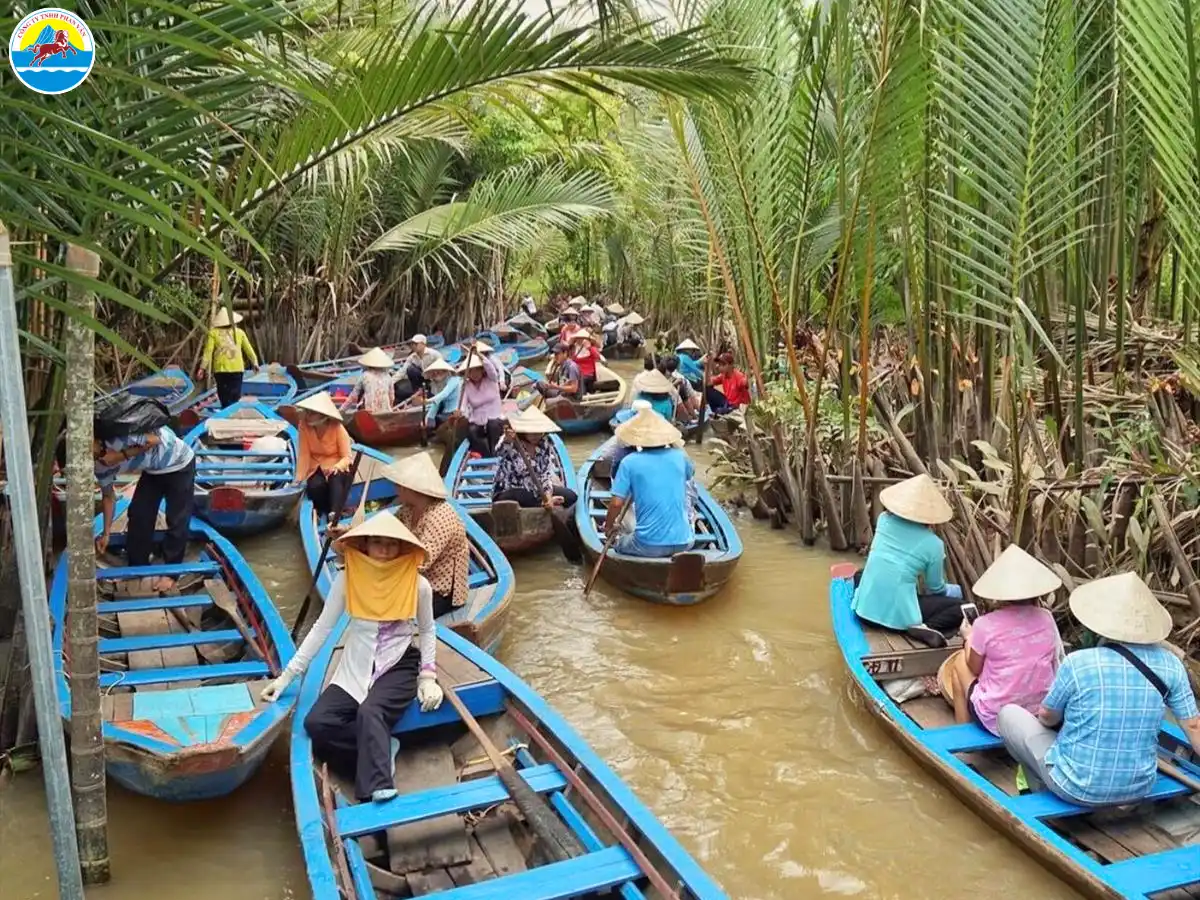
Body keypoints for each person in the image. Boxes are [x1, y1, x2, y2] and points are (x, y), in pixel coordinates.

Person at [258, 511, 444, 803]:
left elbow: (428, 630)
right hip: (356, 663)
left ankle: (376, 787)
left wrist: (428, 677)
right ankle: (384, 746)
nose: (384, 550)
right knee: (317, 723)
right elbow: (323, 627)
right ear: (365, 545)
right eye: (377, 542)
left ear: (402, 548)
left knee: (370, 712)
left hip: (398, 663)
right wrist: (287, 677)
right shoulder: (347, 580)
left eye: (391, 544)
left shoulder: (418, 584)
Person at [998, 572, 1200, 806]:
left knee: (1008, 715)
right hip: (1140, 788)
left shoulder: (1078, 662)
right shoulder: (1171, 664)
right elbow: (1194, 727)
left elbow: (1047, 716)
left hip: (1075, 787)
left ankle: (1037, 788)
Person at [937, 545, 1063, 734]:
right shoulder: (1046, 618)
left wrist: (968, 638)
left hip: (996, 719)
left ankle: (964, 736)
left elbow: (974, 668)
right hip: (1037, 714)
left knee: (959, 664)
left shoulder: (984, 625)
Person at [851, 474, 962, 644]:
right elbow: (935, 587)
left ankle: (865, 597)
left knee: (861, 573)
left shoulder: (883, 521)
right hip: (898, 620)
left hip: (864, 610)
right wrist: (951, 591)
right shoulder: (934, 544)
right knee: (961, 607)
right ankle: (925, 626)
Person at [94, 422, 196, 591]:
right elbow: (108, 496)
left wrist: (120, 456)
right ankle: (137, 566)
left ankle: (171, 573)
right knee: (138, 513)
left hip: (179, 463)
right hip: (153, 470)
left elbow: (154, 439)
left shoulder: (116, 437)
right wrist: (106, 533)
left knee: (177, 518)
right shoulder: (99, 466)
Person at [602, 405, 695, 559]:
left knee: (620, 543)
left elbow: (616, 504)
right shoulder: (681, 457)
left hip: (647, 545)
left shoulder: (629, 462)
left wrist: (609, 527)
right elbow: (688, 476)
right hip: (685, 542)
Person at [386, 453, 470, 619]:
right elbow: (387, 528)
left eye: (399, 485)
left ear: (409, 488)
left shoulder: (440, 516)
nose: (396, 489)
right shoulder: (408, 509)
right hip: (417, 582)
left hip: (442, 593)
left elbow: (421, 561)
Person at [493, 407, 577, 509]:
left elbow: (545, 474)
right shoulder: (512, 440)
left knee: (571, 496)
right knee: (526, 496)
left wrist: (548, 495)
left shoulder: (544, 444)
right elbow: (499, 451)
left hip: (536, 489)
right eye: (532, 432)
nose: (535, 436)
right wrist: (507, 440)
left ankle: (546, 502)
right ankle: (542, 504)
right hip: (509, 490)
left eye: (538, 432)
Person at [295, 391, 353, 524]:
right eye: (308, 412)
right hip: (315, 465)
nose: (308, 416)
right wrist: (299, 477)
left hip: (338, 464)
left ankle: (335, 513)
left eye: (312, 413)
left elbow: (347, 457)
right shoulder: (303, 426)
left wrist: (337, 466)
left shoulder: (337, 428)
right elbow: (304, 454)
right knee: (314, 486)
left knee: (336, 478)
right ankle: (323, 510)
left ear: (323, 416)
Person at [198, 307, 259, 408]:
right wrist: (255, 362)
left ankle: (225, 413)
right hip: (237, 369)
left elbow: (208, 352)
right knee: (235, 396)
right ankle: (233, 415)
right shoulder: (239, 332)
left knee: (224, 396)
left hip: (221, 370)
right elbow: (249, 349)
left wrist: (202, 368)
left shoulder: (213, 333)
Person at [459, 351, 504, 456]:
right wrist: (460, 413)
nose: (474, 374)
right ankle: (487, 455)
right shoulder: (466, 386)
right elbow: (463, 405)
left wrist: (480, 355)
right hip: (477, 419)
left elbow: (491, 369)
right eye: (471, 371)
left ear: (482, 370)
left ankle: (495, 452)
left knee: (492, 426)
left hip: (495, 416)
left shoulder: (491, 379)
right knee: (472, 430)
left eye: (476, 370)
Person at [339, 347, 399, 415]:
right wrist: (390, 409)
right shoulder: (388, 376)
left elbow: (353, 396)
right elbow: (392, 397)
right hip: (386, 411)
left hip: (370, 412)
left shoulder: (365, 375)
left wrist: (341, 410)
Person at [396, 334, 443, 403]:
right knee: (410, 369)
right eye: (412, 344)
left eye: (416, 344)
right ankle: (418, 393)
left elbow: (443, 369)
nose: (413, 346)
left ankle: (430, 394)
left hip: (434, 379)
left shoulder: (435, 354)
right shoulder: (412, 357)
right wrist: (390, 382)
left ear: (423, 344)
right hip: (423, 379)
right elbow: (402, 371)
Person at [421, 357, 461, 432]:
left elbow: (444, 394)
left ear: (445, 371)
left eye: (438, 372)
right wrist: (427, 419)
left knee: (438, 419)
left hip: (457, 411)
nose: (436, 374)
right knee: (431, 423)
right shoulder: (438, 384)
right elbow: (436, 404)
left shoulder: (454, 380)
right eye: (434, 373)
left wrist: (427, 401)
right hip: (446, 411)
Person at [571, 330, 602, 395]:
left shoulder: (591, 348)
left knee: (584, 381)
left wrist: (589, 348)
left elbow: (598, 357)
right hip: (578, 374)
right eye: (579, 338)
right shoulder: (573, 348)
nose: (580, 340)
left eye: (583, 338)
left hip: (589, 374)